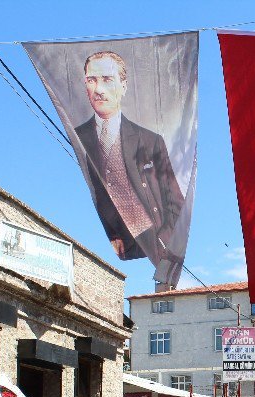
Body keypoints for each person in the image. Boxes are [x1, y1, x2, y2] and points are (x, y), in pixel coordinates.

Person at [73, 52, 184, 280]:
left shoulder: (150, 140)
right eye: (92, 80)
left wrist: (164, 238)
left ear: (123, 86)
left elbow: (175, 200)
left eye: (107, 79)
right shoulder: (79, 137)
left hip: (153, 238)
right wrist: (113, 233)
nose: (99, 89)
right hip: (116, 241)